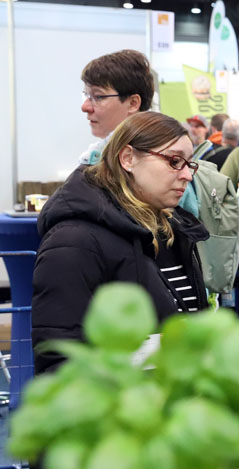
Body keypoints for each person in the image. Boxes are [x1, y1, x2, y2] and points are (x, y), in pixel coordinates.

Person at [34, 111, 210, 373]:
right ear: (128, 158)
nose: (187, 175)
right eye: (174, 161)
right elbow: (59, 361)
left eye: (189, 164)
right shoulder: (74, 242)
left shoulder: (172, 232)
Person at [78, 49, 155, 165]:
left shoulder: (160, 163)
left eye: (98, 96)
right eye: (87, 95)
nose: (85, 107)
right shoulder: (95, 157)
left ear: (133, 103)